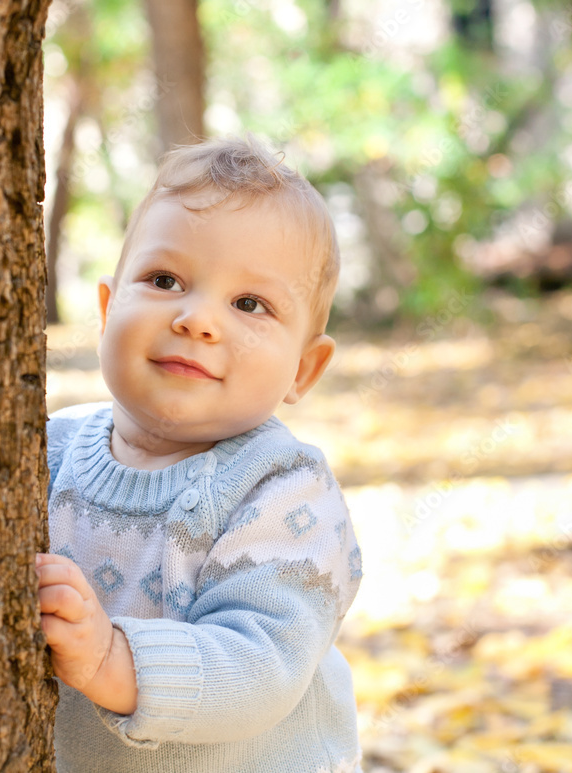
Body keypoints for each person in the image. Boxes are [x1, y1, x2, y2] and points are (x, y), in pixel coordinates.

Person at [37, 136, 363, 773]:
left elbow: (264, 663)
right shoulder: (47, 449)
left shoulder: (283, 489)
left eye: (250, 304)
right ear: (107, 312)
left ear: (304, 368)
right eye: (165, 280)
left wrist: (112, 660)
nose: (197, 319)